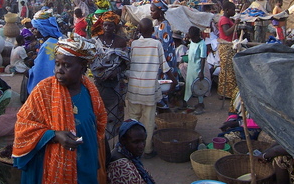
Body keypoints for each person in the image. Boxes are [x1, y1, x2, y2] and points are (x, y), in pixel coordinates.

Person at [12, 34, 107, 184]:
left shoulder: (91, 91)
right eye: (57, 64)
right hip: (52, 166)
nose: (59, 70)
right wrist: (54, 136)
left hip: (86, 162)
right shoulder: (43, 91)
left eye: (67, 65)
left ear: (82, 68)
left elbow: (98, 125)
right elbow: (23, 125)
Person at [127, 18, 175, 159]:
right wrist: (173, 80)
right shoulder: (156, 44)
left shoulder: (134, 44)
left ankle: (130, 147)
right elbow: (164, 65)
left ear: (139, 31)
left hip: (134, 88)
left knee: (133, 119)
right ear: (153, 31)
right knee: (148, 121)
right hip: (149, 90)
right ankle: (147, 149)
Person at [91, 11, 129, 143]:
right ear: (102, 26)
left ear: (116, 27)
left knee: (114, 115)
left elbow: (126, 64)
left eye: (110, 26)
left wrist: (116, 70)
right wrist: (102, 73)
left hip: (116, 85)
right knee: (99, 111)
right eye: (105, 25)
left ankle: (112, 142)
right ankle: (100, 142)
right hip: (99, 83)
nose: (107, 28)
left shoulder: (120, 41)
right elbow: (91, 61)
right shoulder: (95, 41)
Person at [107, 119, 156, 184]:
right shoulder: (122, 168)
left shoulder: (123, 151)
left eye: (143, 140)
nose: (141, 146)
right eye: (136, 142)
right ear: (123, 141)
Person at [26, 9, 63, 95]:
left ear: (42, 29)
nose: (33, 31)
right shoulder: (58, 39)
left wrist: (29, 72)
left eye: (36, 29)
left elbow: (41, 71)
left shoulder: (48, 45)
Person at [150, 0, 178, 107]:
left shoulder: (164, 26)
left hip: (165, 59)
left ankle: (164, 106)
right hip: (162, 58)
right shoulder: (158, 24)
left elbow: (164, 46)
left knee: (165, 82)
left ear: (160, 11)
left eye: (153, 11)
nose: (151, 13)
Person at [217, 1, 240, 101]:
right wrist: (235, 24)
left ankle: (224, 92)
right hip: (226, 47)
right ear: (227, 10)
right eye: (232, 9)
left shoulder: (227, 19)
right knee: (229, 70)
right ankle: (229, 93)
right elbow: (226, 32)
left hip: (228, 46)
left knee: (226, 70)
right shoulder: (224, 20)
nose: (234, 11)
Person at [183, 26, 207, 115]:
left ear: (197, 36)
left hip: (198, 68)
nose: (192, 39)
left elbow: (203, 58)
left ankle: (201, 104)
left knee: (198, 87)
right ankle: (186, 102)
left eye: (193, 38)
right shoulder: (192, 42)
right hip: (191, 68)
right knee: (189, 84)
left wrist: (201, 71)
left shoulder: (202, 44)